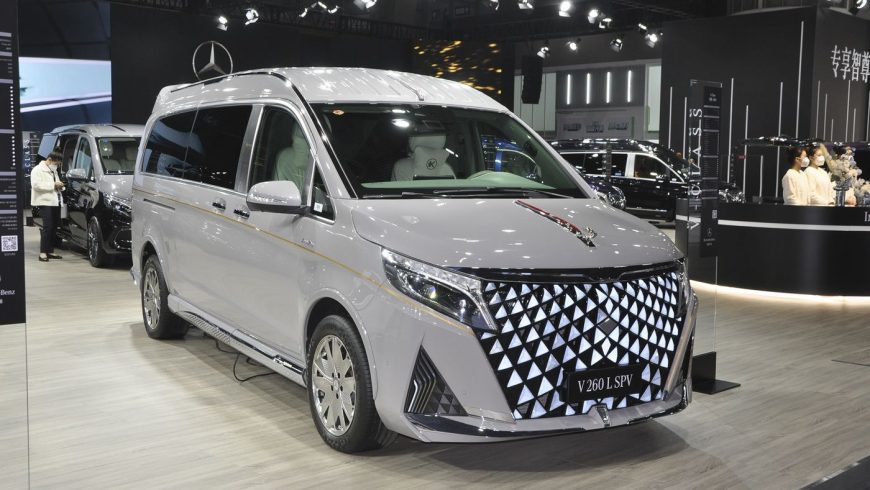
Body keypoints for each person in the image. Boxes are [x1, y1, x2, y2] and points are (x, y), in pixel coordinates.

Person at [30, 151, 65, 262]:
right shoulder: (37, 170)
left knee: (54, 227)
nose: (57, 166)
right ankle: (43, 252)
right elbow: (36, 185)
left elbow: (57, 183)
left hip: (55, 201)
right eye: (56, 163)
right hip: (44, 202)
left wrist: (60, 186)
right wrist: (53, 185)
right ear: (49, 159)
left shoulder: (53, 170)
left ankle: (50, 251)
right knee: (48, 227)